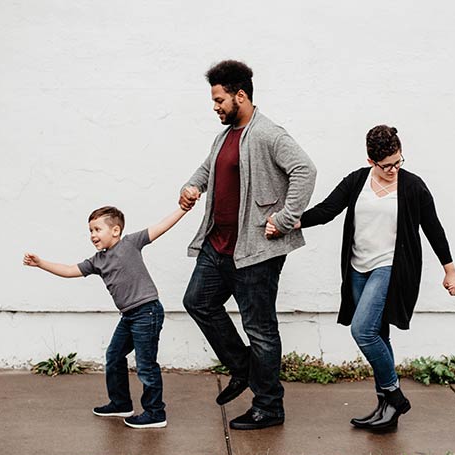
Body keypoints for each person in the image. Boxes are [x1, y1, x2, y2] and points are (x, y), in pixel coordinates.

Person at [267, 125, 455, 430]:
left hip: (390, 268)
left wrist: (450, 270)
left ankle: (395, 396)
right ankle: (386, 410)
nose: (394, 169)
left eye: (399, 162)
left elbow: (433, 228)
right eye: (387, 166)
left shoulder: (412, 186)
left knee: (363, 331)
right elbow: (328, 210)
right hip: (358, 269)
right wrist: (289, 223)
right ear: (371, 161)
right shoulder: (358, 180)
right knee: (379, 335)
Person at [180, 60, 316, 430]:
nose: (215, 106)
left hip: (255, 251)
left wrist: (285, 218)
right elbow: (208, 169)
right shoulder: (225, 135)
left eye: (219, 99)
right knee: (197, 302)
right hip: (218, 245)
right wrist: (192, 187)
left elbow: (306, 170)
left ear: (241, 95)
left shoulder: (268, 134)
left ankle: (269, 406)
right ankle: (243, 369)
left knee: (260, 329)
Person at [23, 204, 191, 428]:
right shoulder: (97, 261)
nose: (93, 235)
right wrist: (41, 263)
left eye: (97, 229)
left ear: (115, 230)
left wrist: (183, 209)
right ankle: (121, 403)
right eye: (90, 230)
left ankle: (155, 413)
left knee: (145, 364)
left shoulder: (131, 243)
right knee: (114, 356)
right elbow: (69, 270)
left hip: (147, 312)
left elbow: (161, 226)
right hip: (129, 316)